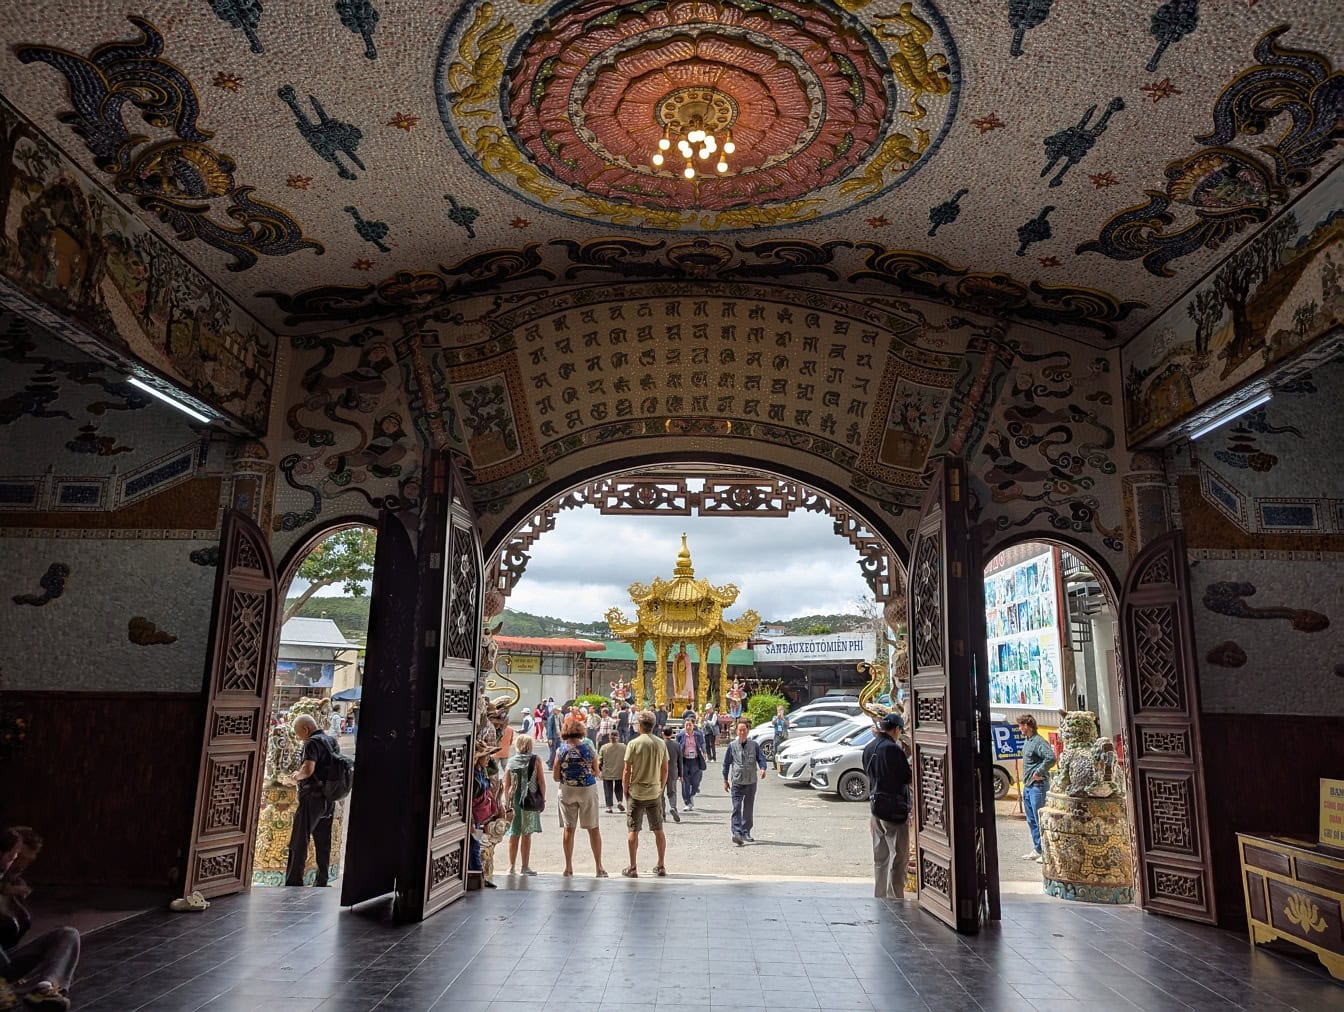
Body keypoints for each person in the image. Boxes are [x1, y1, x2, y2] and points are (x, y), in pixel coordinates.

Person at [1, 828, 79, 1011]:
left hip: (6, 962)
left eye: (22, 861)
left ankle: (44, 989)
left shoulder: (13, 883)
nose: (18, 866)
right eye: (15, 858)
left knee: (67, 934)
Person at [285, 714, 340, 887]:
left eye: (298, 734)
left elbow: (308, 769)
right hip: (328, 798)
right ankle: (322, 880)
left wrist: (295, 776)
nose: (299, 738)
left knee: (299, 839)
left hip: (312, 798)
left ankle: (294, 880)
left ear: (305, 729)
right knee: (323, 840)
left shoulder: (312, 743)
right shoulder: (331, 741)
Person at [863, 714, 912, 899]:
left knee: (880, 857)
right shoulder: (892, 749)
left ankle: (880, 894)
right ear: (897, 729)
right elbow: (906, 777)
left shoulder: (869, 747)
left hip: (876, 808)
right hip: (894, 809)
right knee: (898, 856)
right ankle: (895, 896)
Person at [553, 718, 607, 878]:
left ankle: (568, 868)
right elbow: (596, 772)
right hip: (587, 789)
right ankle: (599, 867)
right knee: (593, 828)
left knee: (569, 829)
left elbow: (556, 776)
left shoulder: (561, 750)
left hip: (567, 790)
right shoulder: (588, 748)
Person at [621, 711, 668, 877]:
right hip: (654, 791)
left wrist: (625, 788)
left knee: (633, 829)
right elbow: (665, 769)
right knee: (658, 829)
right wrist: (660, 787)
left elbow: (627, 770)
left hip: (637, 791)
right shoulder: (661, 743)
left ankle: (633, 866)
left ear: (640, 726)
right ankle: (661, 864)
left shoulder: (633, 744)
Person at [722, 718, 767, 846]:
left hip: (751, 782)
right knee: (736, 807)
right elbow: (726, 764)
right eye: (740, 730)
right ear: (736, 731)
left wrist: (763, 769)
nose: (742, 732)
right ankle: (737, 833)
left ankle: (746, 831)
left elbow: (761, 759)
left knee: (748, 809)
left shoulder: (754, 745)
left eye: (744, 730)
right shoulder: (732, 746)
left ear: (748, 731)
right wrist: (725, 780)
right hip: (737, 782)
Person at [504, 735, 544, 875]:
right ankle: (524, 867)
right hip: (530, 800)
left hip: (515, 801)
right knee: (526, 834)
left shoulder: (511, 761)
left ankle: (511, 866)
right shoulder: (536, 759)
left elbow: (506, 785)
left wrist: (506, 802)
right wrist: (542, 800)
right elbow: (541, 782)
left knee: (514, 834)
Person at [1019, 715, 1056, 862]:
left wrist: (1039, 772)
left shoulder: (1038, 741)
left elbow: (1051, 758)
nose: (1019, 728)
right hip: (1028, 786)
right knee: (1031, 820)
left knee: (1040, 819)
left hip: (1038, 787)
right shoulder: (1028, 741)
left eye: (1021, 725)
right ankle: (1038, 848)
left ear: (1027, 725)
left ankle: (1047, 851)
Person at [676, 716, 707, 811]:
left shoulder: (698, 734)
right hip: (685, 760)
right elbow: (677, 747)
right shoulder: (680, 735)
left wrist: (704, 752)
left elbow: (702, 743)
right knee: (685, 782)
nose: (688, 727)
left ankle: (692, 793)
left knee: (696, 781)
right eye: (686, 725)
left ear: (693, 726)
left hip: (695, 760)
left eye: (690, 725)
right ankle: (687, 802)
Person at [598, 732, 626, 813]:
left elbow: (600, 760)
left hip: (607, 772)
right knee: (619, 787)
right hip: (620, 771)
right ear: (618, 737)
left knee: (608, 789)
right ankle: (619, 802)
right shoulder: (624, 747)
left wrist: (600, 770)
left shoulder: (604, 747)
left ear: (609, 737)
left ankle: (609, 807)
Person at [661, 726, 683, 824]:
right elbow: (680, 761)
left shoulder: (660, 744)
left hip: (660, 772)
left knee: (660, 794)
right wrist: (681, 774)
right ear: (672, 734)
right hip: (673, 771)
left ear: (663, 734)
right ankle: (673, 807)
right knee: (672, 792)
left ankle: (662, 814)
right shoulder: (677, 745)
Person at [771, 705, 789, 769]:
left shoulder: (786, 717)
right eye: (779, 710)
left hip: (784, 736)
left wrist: (783, 718)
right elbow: (773, 723)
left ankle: (784, 765)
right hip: (777, 736)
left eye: (782, 710)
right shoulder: (775, 717)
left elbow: (788, 724)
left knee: (784, 750)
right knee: (775, 751)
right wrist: (777, 718)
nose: (780, 711)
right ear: (777, 711)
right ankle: (776, 766)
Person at [545, 704, 562, 769]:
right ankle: (550, 765)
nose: (559, 712)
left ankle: (550, 762)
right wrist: (550, 738)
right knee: (553, 752)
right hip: (553, 737)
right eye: (558, 710)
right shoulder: (551, 718)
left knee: (558, 751)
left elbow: (559, 726)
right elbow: (549, 728)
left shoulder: (558, 717)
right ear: (554, 710)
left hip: (558, 736)